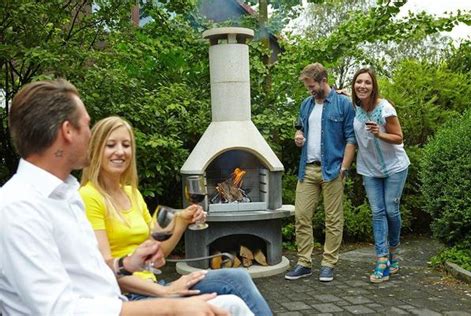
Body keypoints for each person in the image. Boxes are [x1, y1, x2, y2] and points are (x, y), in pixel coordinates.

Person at [0, 79, 251, 315]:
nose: (91, 135)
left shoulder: (64, 195)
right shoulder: (19, 208)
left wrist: (128, 264)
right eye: (87, 124)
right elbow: (60, 311)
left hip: (118, 303)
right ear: (68, 131)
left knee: (232, 305)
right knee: (229, 305)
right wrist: (171, 307)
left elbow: (90, 273)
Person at [79, 116, 272, 315]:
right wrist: (165, 291)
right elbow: (105, 271)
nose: (120, 151)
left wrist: (182, 220)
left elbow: (157, 253)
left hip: (152, 286)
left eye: (126, 145)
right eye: (111, 145)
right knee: (232, 298)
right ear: (96, 150)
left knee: (238, 278)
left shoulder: (131, 193)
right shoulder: (89, 197)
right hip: (129, 298)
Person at [285, 63, 356, 282]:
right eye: (307, 87)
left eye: (312, 85)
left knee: (333, 219)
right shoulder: (306, 104)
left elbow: (351, 139)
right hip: (307, 168)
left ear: (323, 80)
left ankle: (328, 263)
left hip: (333, 170)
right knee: (302, 215)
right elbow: (301, 128)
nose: (310, 90)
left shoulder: (343, 104)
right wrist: (298, 136)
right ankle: (304, 263)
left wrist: (344, 168)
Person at [351, 68, 410, 283]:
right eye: (359, 82)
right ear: (354, 86)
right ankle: (382, 259)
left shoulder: (385, 109)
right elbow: (335, 93)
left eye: (367, 82)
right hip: (369, 169)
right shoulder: (354, 107)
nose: (362, 86)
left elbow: (398, 137)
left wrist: (380, 133)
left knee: (390, 209)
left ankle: (393, 250)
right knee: (377, 212)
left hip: (395, 167)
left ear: (374, 86)